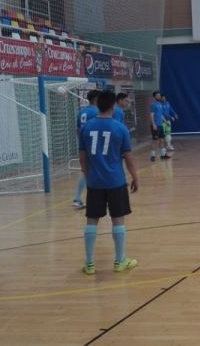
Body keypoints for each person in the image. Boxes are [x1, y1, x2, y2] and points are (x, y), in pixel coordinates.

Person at [79, 91, 138, 275]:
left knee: (92, 220)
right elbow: (128, 157)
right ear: (114, 105)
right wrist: (135, 177)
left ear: (98, 105)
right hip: (116, 181)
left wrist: (88, 176)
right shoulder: (120, 128)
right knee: (117, 219)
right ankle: (120, 261)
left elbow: (82, 157)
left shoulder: (86, 127)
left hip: (95, 182)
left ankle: (89, 264)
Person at [73, 90, 100, 209]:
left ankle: (77, 198)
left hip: (84, 145)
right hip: (95, 146)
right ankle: (98, 198)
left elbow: (78, 131)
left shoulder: (81, 111)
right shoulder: (97, 112)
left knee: (85, 171)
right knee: (97, 171)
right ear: (96, 99)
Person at [149, 91, 170, 161]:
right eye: (157, 95)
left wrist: (165, 121)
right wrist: (154, 124)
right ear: (154, 97)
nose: (159, 96)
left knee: (162, 140)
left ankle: (163, 155)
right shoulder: (153, 105)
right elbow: (151, 115)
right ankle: (152, 156)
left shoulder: (160, 104)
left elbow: (160, 115)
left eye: (159, 95)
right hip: (156, 125)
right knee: (155, 141)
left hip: (160, 125)